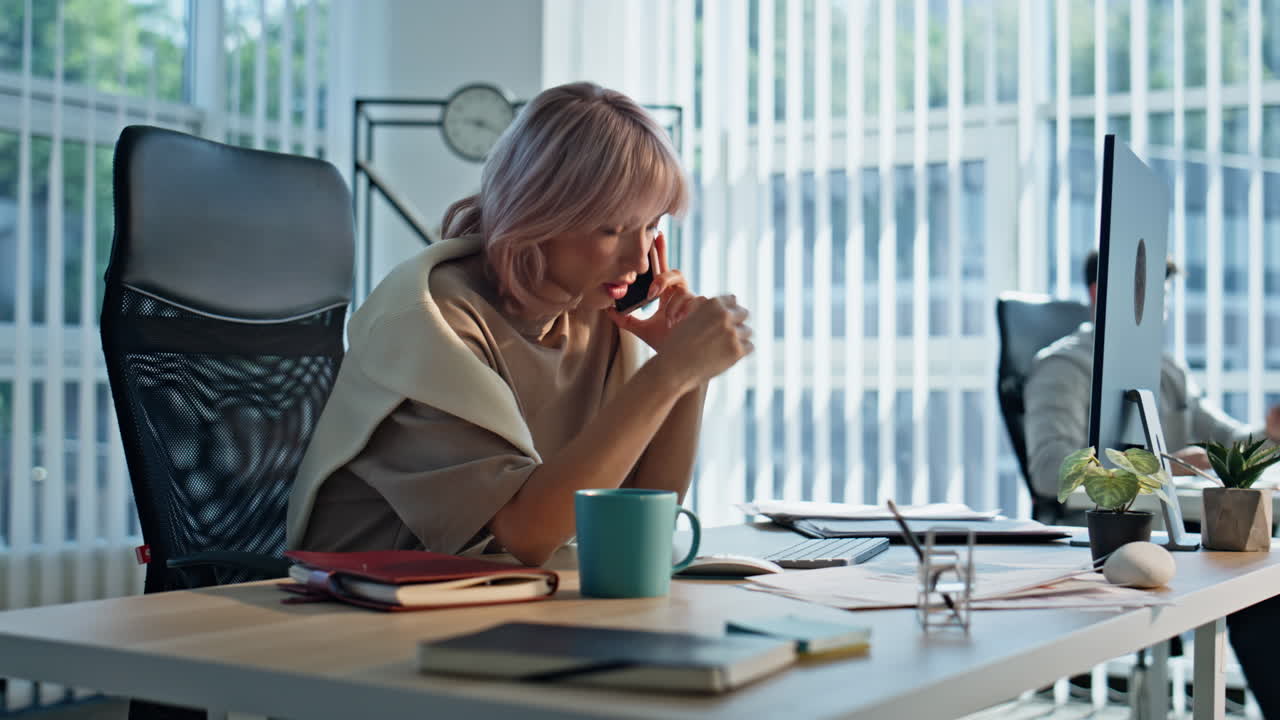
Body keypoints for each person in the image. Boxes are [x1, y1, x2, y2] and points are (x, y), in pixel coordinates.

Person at [285, 82, 753, 567]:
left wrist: (687, 374)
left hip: (486, 598)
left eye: (653, 225)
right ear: (540, 213)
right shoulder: (432, 323)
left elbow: (639, 520)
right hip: (351, 610)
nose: (639, 256)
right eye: (612, 228)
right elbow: (526, 532)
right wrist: (670, 373)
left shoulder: (595, 313)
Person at [1024, 249, 1280, 718]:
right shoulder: (1063, 367)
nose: (1157, 310)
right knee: (1264, 584)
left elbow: (1226, 440)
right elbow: (1048, 470)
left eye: (1161, 298)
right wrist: (1159, 468)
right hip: (1116, 527)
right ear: (1100, 295)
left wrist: (1270, 436)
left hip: (1183, 521)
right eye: (1147, 296)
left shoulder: (1166, 368)